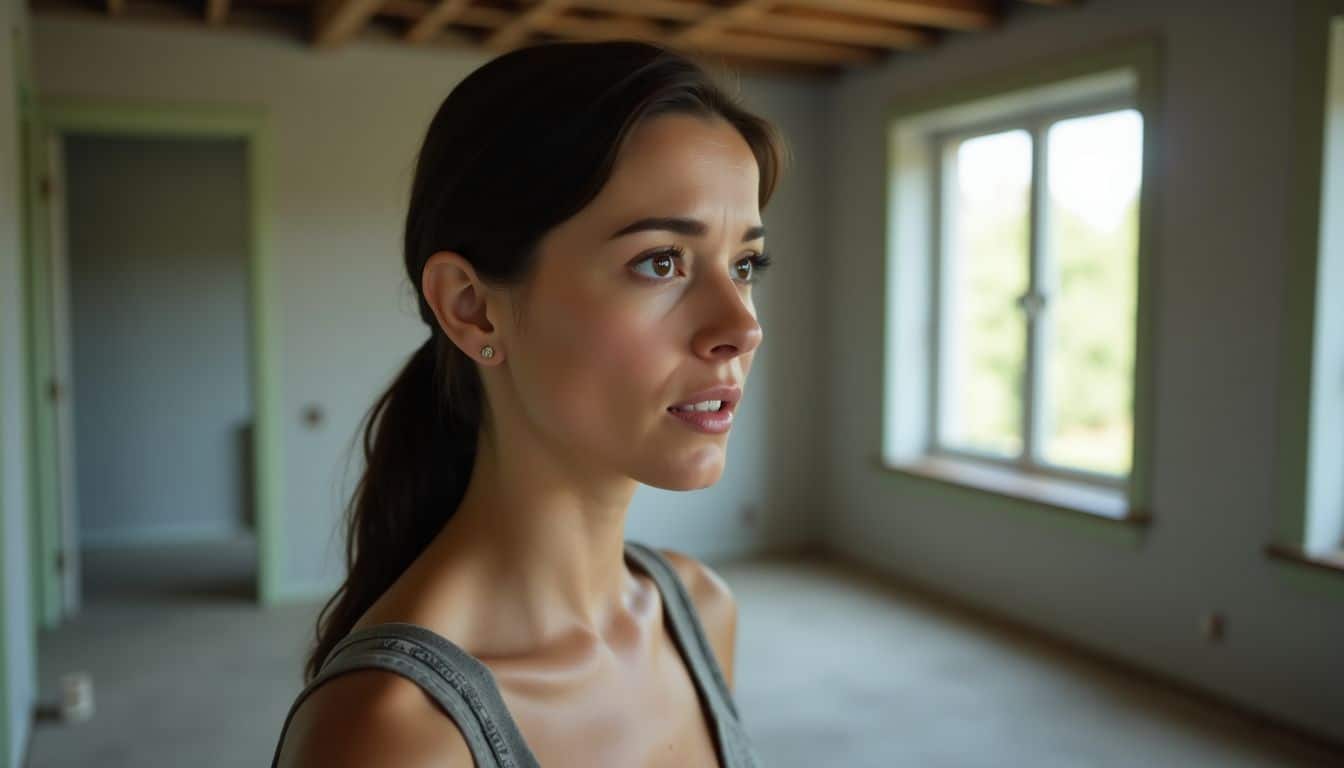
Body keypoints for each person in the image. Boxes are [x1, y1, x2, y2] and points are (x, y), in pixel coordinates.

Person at [270, 38, 785, 767]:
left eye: (745, 264)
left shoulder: (701, 611)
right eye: (660, 262)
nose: (742, 327)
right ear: (474, 308)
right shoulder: (390, 732)